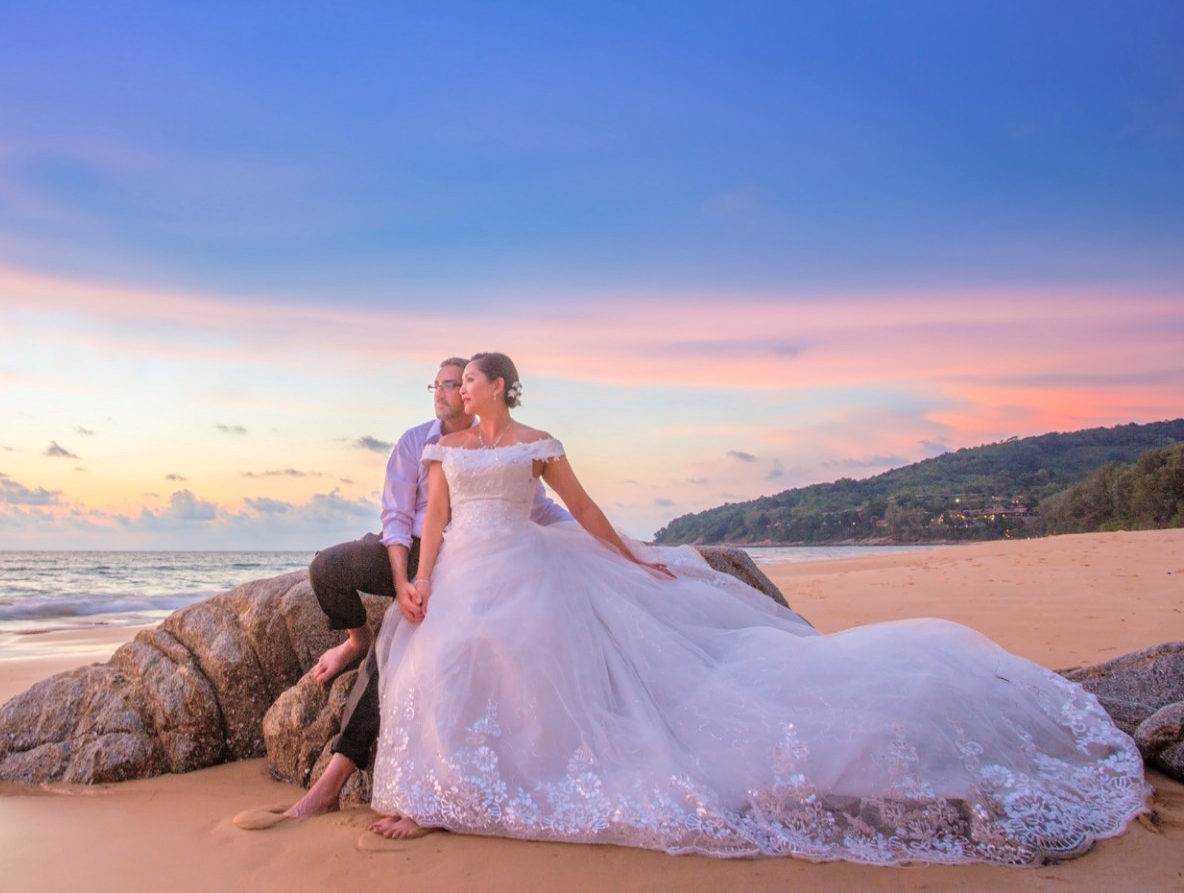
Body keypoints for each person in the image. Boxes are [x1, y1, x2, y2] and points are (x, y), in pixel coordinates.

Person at [368, 352, 1151, 863]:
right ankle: (434, 794)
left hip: (530, 565)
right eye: (454, 385)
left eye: (468, 381)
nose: (456, 392)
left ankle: (484, 787)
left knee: (536, 665)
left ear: (499, 386)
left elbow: (585, 509)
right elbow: (434, 521)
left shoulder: (539, 442)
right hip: (467, 565)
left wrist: (633, 557)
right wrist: (419, 581)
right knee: (442, 659)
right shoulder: (445, 449)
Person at [234, 356, 571, 829]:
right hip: (404, 549)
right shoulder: (416, 441)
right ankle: (355, 639)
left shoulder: (493, 444)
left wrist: (593, 540)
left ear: (475, 391)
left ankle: (330, 785)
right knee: (327, 568)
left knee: (393, 656)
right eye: (438, 385)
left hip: (456, 560)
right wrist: (401, 581)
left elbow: (534, 506)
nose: (443, 393)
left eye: (453, 384)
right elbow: (396, 516)